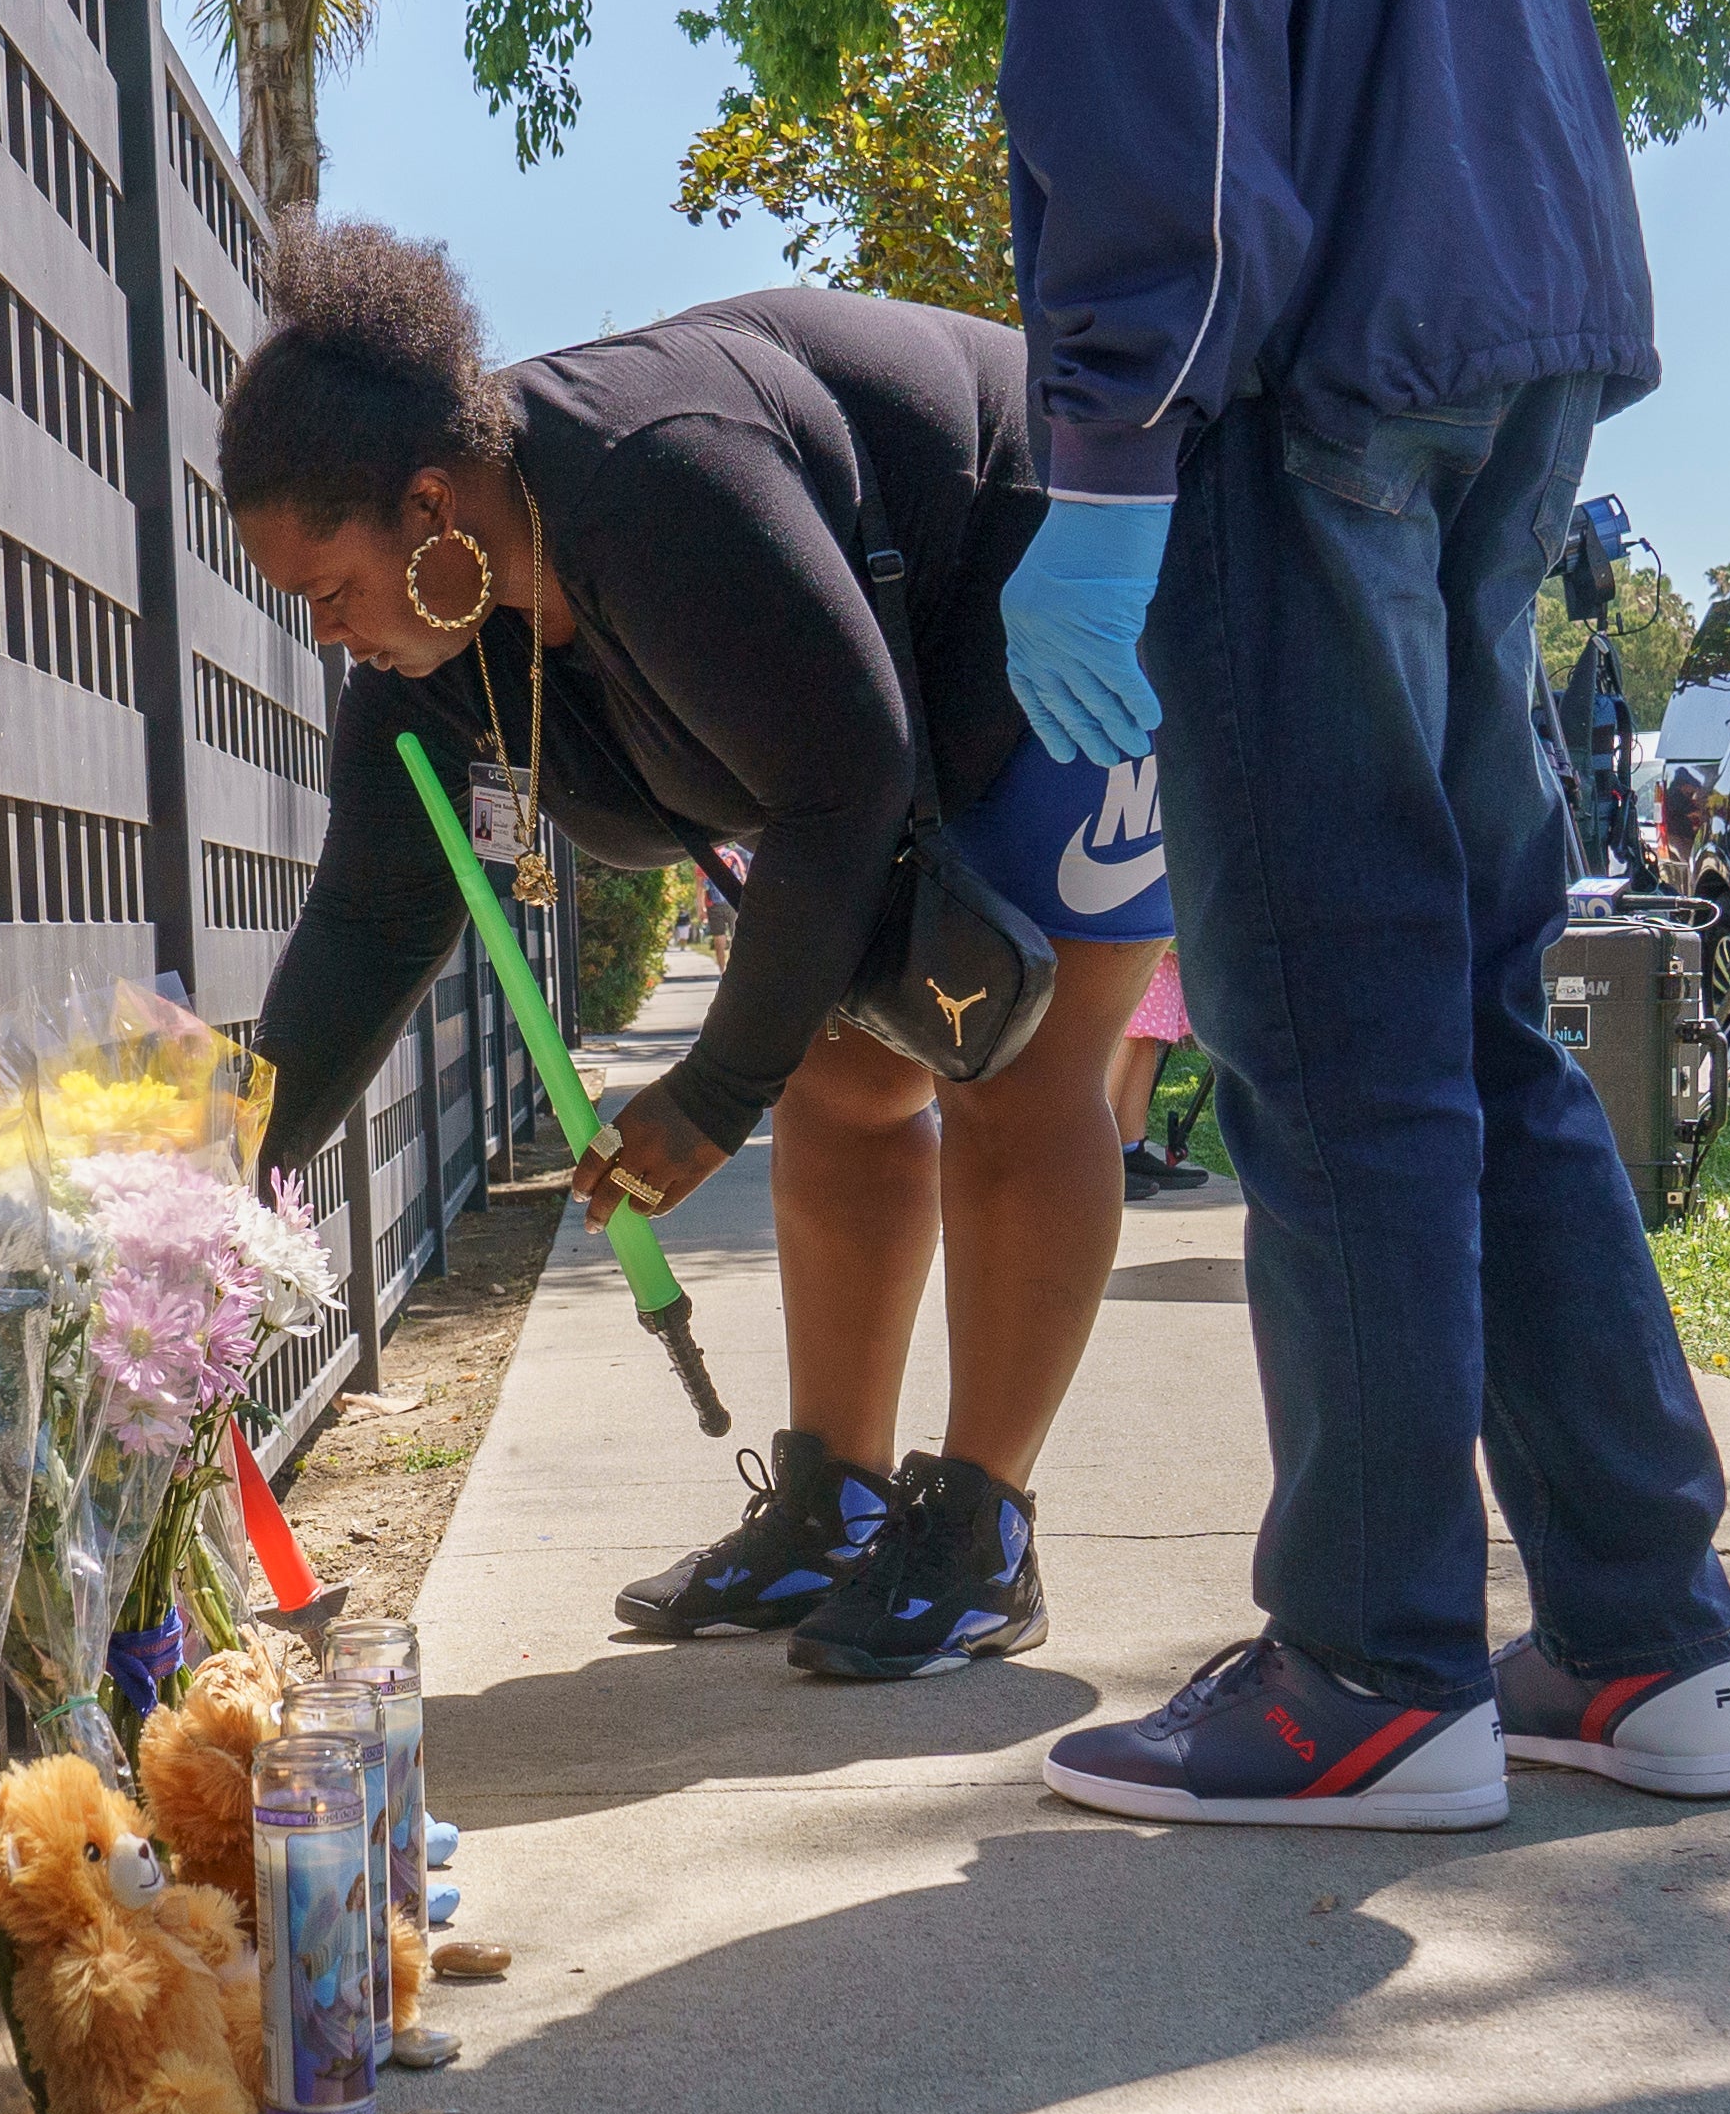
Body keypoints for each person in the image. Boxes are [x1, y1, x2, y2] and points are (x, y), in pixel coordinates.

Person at [993, 0, 1730, 1826]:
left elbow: (1151, 41)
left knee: (1339, 1028)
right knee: (1479, 1014)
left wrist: (1104, 447)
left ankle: (1368, 1666)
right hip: (1503, 321)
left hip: (1297, 364)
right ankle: (1643, 1638)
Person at [225, 217, 1173, 1681]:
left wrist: (711, 1091)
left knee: (1019, 1073)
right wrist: (223, 1193)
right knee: (850, 1087)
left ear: (426, 502)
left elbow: (840, 775)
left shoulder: (652, 479)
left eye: (326, 588)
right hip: (897, 704)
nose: (326, 633)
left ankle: (981, 1536)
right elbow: (363, 931)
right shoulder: (434, 646)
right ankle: (839, 1507)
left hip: (1051, 576)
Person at [1107, 946, 1203, 1201]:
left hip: (1154, 933)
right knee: (1124, 1022)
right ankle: (1093, 1155)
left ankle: (1130, 1149)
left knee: (1145, 1028)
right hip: (1123, 928)